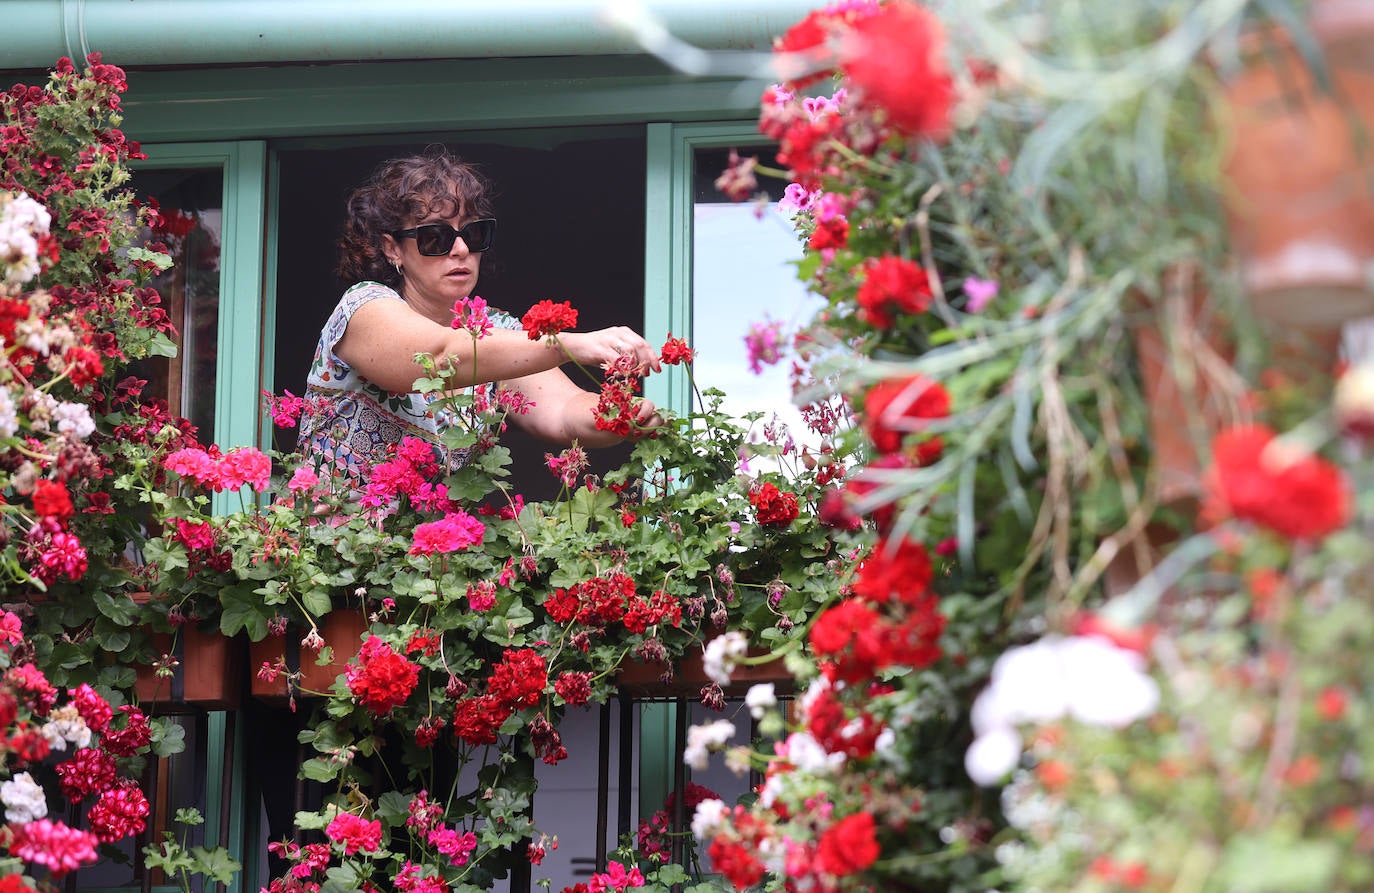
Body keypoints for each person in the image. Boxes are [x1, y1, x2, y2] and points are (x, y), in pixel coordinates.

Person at [297, 146, 663, 486]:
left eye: (473, 233)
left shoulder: (496, 331)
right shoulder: (363, 307)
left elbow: (564, 412)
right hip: (335, 551)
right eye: (435, 237)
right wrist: (570, 342)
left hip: (430, 555)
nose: (460, 249)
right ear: (392, 248)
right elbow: (440, 355)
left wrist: (618, 414)